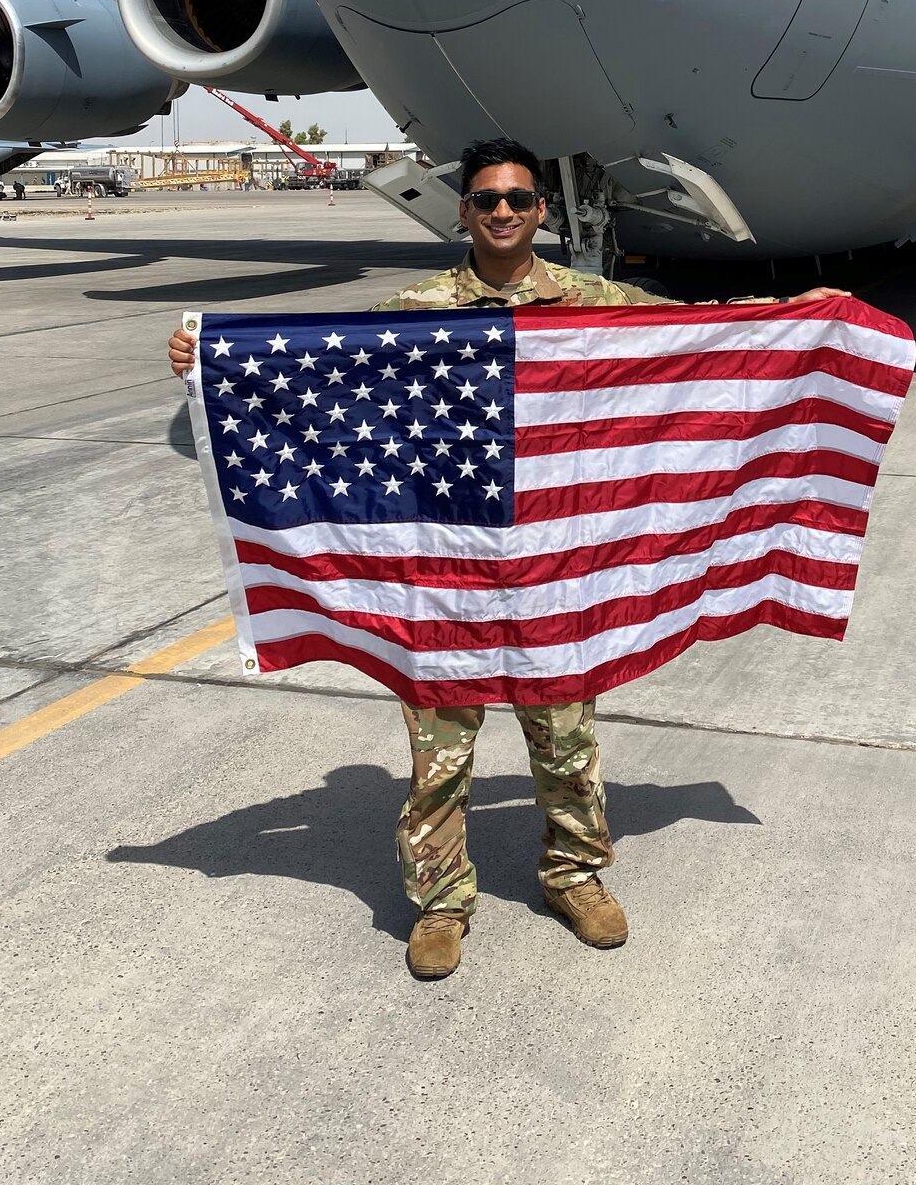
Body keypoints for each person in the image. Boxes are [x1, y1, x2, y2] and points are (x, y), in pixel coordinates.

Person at [168, 135, 840, 981]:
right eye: (486, 199)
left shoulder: (592, 300)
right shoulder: (420, 310)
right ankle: (441, 903)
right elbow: (321, 371)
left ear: (539, 212)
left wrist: (797, 312)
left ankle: (575, 876)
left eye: (518, 199)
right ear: (464, 210)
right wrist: (214, 362)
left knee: (565, 740)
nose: (502, 212)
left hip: (558, 569)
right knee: (440, 751)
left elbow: (697, 338)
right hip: (449, 575)